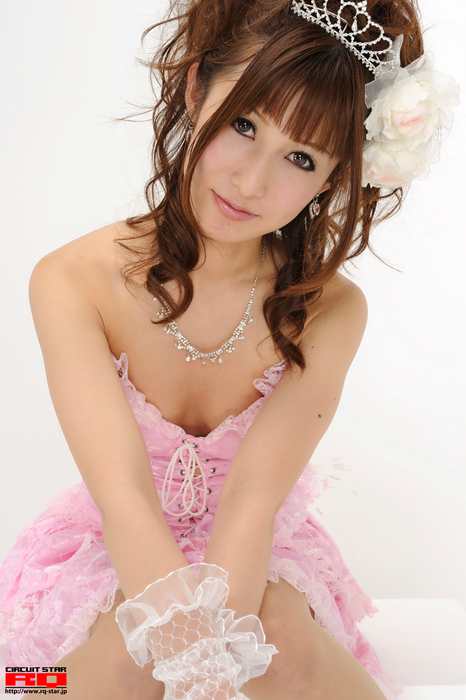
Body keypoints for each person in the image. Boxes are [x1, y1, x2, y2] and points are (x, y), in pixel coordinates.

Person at [0, 0, 459, 698]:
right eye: (244, 125)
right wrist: (192, 662)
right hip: (115, 546)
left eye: (300, 158)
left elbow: (251, 506)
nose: (251, 182)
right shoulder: (72, 280)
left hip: (255, 557)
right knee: (116, 657)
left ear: (335, 177)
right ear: (196, 90)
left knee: (276, 639)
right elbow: (125, 498)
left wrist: (217, 670)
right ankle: (26, 685)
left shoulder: (330, 311)